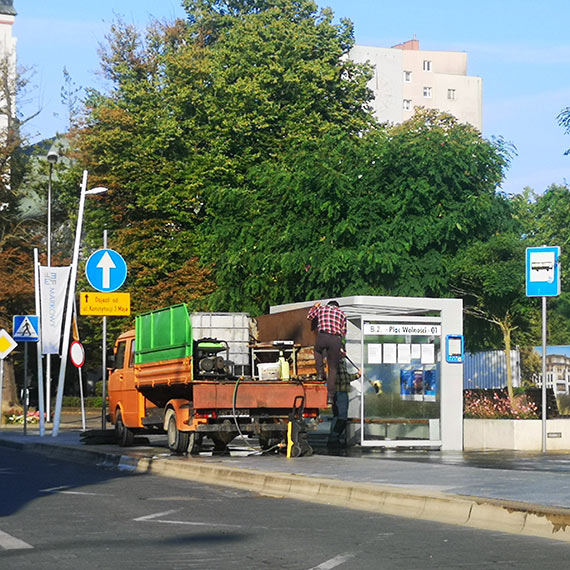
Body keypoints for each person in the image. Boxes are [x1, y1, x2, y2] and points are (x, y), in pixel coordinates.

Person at [307, 300, 347, 404]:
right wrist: (340, 348)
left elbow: (310, 317)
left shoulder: (322, 309)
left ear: (329, 305)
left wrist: (314, 306)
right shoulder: (342, 314)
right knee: (333, 368)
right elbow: (344, 332)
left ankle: (320, 374)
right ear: (337, 307)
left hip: (323, 336)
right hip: (336, 340)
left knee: (317, 350)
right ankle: (330, 397)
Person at [328, 354, 361, 447]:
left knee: (337, 416)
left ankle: (333, 438)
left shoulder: (338, 362)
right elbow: (344, 379)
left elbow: (345, 377)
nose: (345, 352)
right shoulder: (337, 363)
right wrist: (357, 375)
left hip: (337, 392)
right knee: (342, 417)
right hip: (340, 392)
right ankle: (334, 438)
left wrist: (357, 376)